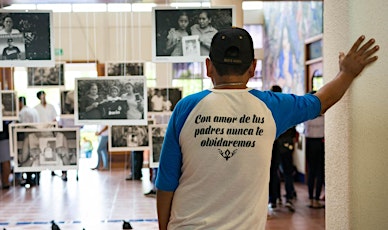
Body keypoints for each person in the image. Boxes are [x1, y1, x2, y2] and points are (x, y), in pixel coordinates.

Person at [155, 27, 379, 229]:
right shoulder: (271, 107)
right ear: (253, 67)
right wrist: (347, 73)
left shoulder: (185, 108)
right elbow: (322, 101)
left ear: (208, 66)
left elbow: (166, 181)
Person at [268, 85, 297, 213]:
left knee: (274, 173)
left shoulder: (269, 108)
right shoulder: (287, 107)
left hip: (274, 145)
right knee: (287, 172)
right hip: (286, 144)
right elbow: (293, 125)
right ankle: (289, 198)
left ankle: (274, 200)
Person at [303, 102, 325, 209]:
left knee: (311, 171)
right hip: (321, 143)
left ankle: (311, 198)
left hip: (310, 143)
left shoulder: (307, 116)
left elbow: (304, 130)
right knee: (320, 171)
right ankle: (316, 198)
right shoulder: (324, 117)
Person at [17, 96, 40, 186]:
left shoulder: (23, 112)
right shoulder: (33, 110)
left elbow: (23, 126)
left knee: (27, 157)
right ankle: (36, 178)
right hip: (36, 136)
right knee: (34, 157)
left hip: (28, 137)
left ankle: (29, 179)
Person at [0, 120, 12, 190]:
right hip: (5, 137)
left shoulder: (4, 119)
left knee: (5, 161)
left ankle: (5, 182)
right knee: (5, 160)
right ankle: (5, 182)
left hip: (3, 138)